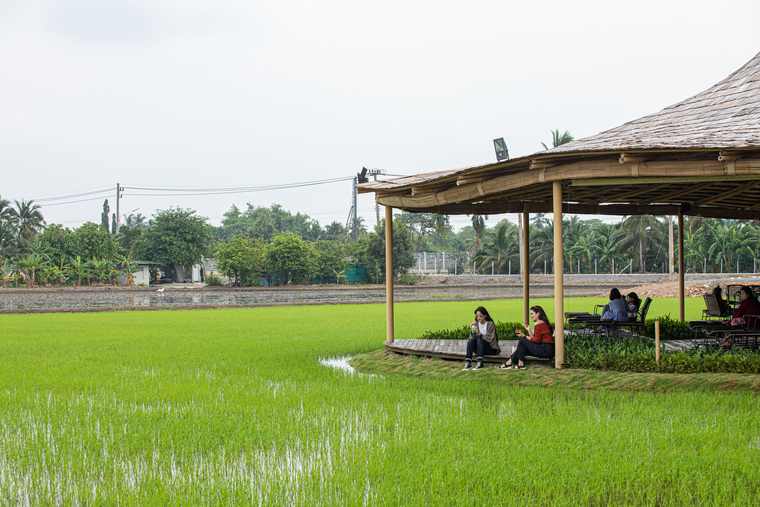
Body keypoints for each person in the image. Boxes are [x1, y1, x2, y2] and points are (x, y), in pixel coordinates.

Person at [498, 305, 554, 370]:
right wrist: (529, 330)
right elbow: (535, 339)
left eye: (532, 314)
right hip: (547, 349)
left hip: (546, 349)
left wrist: (524, 336)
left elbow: (536, 341)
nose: (531, 316)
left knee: (522, 341)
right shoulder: (541, 323)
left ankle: (520, 364)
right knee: (522, 348)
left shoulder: (538, 324)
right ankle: (509, 363)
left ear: (538, 314)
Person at [462, 306, 500, 371]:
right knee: (471, 341)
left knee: (480, 340)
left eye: (480, 316)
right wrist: (473, 332)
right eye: (477, 316)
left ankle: (480, 362)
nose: (478, 318)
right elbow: (472, 338)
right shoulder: (476, 324)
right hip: (480, 348)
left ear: (485, 315)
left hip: (491, 348)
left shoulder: (490, 324)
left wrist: (479, 334)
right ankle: (468, 362)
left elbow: (490, 338)